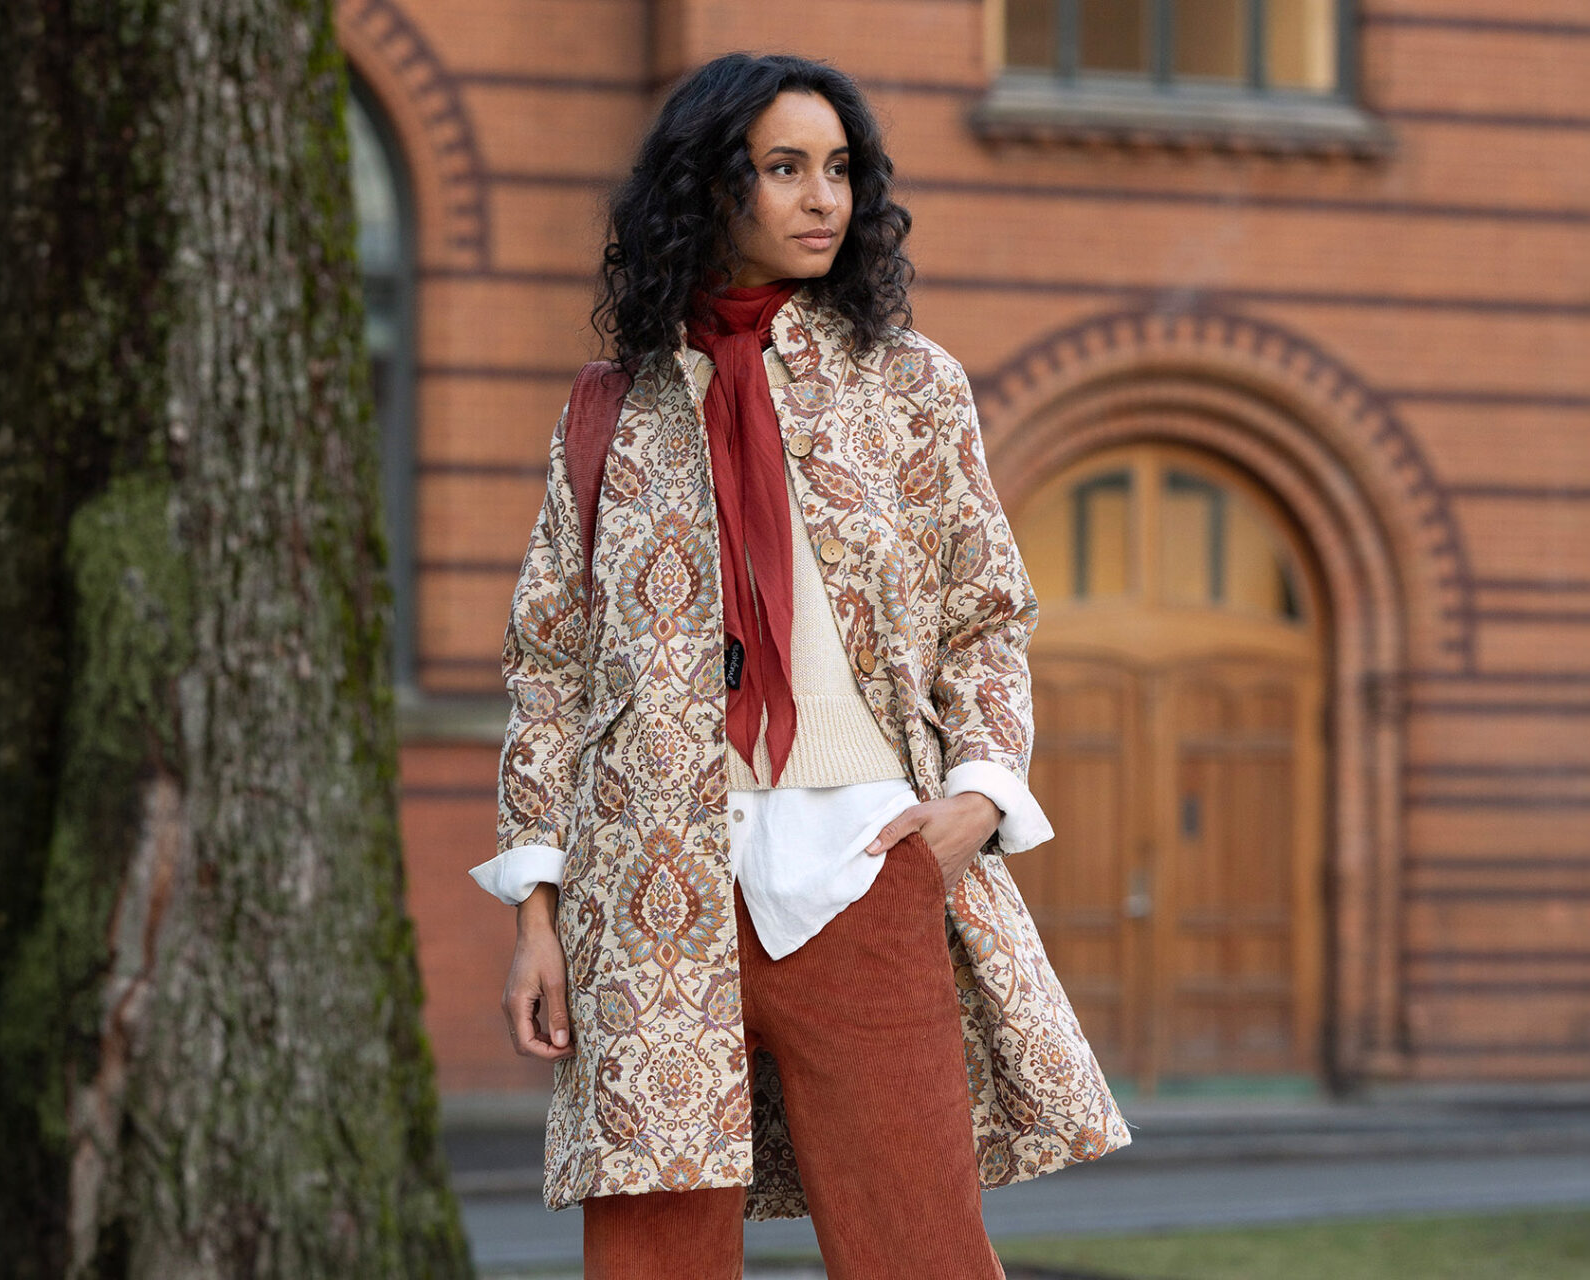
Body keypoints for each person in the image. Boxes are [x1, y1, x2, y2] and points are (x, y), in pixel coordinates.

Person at [470, 52, 1128, 1280]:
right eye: (784, 168)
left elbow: (987, 614)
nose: (823, 197)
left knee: (918, 1250)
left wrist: (977, 797)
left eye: (839, 169)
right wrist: (537, 913)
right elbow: (549, 665)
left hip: (866, 864)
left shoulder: (913, 386)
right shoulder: (607, 411)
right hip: (653, 889)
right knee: (653, 1263)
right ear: (707, 186)